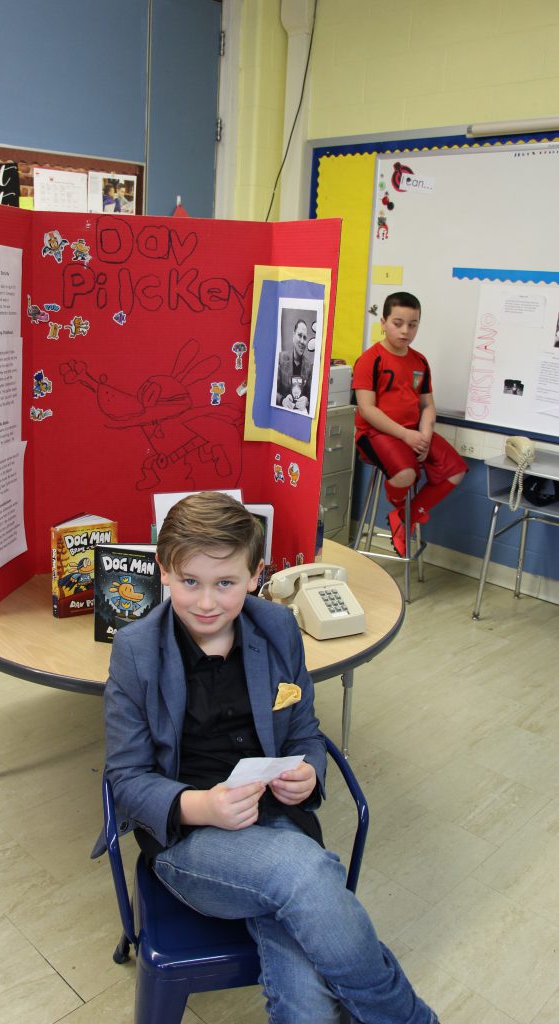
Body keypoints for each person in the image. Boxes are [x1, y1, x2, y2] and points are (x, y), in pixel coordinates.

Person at [101, 491, 439, 1024]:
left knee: (307, 1001)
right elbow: (125, 777)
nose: (207, 602)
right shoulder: (138, 649)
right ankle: (406, 1017)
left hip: (279, 820)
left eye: (226, 583)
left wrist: (307, 773)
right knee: (307, 875)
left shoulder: (276, 628)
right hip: (192, 837)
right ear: (163, 571)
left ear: (255, 575)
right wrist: (201, 806)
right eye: (190, 582)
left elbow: (304, 730)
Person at [353, 292, 467, 557]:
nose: (405, 330)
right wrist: (406, 435)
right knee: (407, 474)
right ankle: (402, 512)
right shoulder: (371, 359)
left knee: (456, 471)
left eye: (412, 324)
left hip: (412, 431)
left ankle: (405, 517)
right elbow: (368, 410)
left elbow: (427, 405)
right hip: (376, 433)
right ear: (383, 322)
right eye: (398, 323)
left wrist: (424, 436)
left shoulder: (420, 361)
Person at [277, 318, 315, 411]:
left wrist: (306, 401)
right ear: (293, 335)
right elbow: (272, 391)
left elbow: (312, 397)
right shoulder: (281, 358)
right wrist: (282, 400)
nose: (302, 341)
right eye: (299, 335)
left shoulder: (309, 366)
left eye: (305, 337)